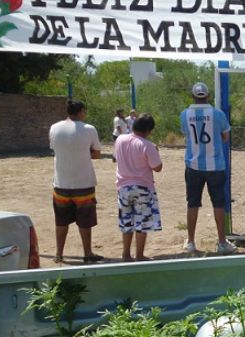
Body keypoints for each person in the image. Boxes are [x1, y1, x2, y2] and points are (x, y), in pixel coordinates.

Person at [179, 81, 237, 255]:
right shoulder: (217, 114)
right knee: (218, 204)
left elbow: (187, 135)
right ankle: (221, 242)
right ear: (208, 95)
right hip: (215, 165)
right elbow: (225, 137)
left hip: (193, 165)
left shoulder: (184, 114)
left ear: (192, 96)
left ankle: (190, 241)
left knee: (192, 204)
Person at [49, 100, 104, 264]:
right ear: (80, 111)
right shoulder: (89, 129)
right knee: (85, 222)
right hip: (83, 183)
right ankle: (87, 253)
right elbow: (96, 154)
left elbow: (55, 149)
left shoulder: (54, 128)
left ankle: (59, 254)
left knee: (61, 222)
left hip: (61, 183)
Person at [113, 113, 163, 262]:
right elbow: (157, 167)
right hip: (142, 187)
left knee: (126, 221)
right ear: (148, 130)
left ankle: (126, 254)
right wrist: (155, 151)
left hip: (123, 187)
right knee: (142, 222)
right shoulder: (147, 145)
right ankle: (139, 255)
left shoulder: (120, 140)